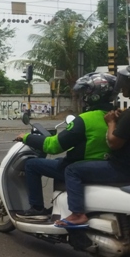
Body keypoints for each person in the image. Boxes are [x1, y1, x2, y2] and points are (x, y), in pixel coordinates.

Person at [14, 72, 116, 220]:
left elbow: (53, 146)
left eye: (85, 93)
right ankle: (58, 207)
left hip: (82, 166)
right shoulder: (116, 116)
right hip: (103, 166)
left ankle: (36, 208)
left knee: (31, 165)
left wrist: (27, 137)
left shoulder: (85, 120)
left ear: (94, 94)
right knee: (57, 163)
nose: (83, 97)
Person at [55, 67, 130, 228]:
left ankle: (77, 214)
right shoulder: (123, 113)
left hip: (120, 168)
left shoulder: (125, 115)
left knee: (72, 170)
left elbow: (114, 142)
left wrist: (110, 123)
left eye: (126, 84)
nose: (122, 88)